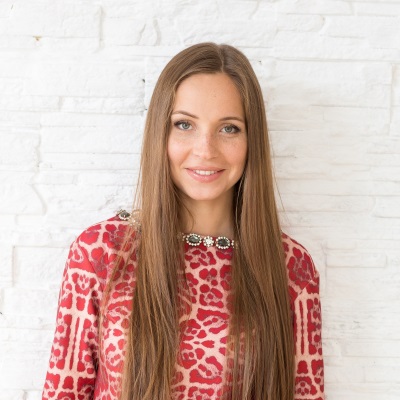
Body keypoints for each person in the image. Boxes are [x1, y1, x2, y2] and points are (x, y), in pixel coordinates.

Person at [42, 42, 325, 400]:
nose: (205, 149)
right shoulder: (100, 253)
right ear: (160, 133)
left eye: (229, 128)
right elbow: (64, 391)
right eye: (184, 124)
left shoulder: (291, 268)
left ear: (252, 139)